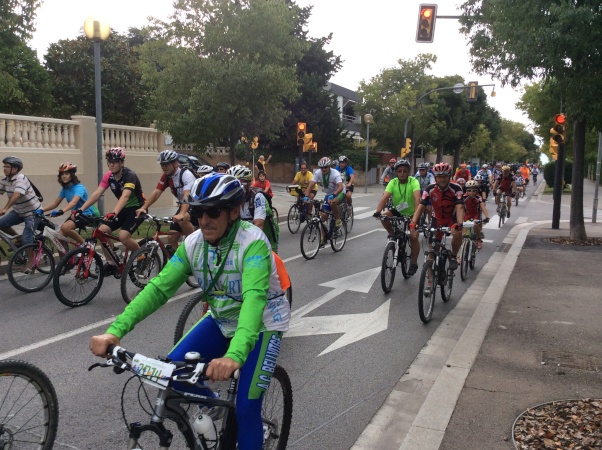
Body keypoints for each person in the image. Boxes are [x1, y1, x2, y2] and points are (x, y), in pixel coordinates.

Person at [89, 173, 290, 450]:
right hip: (221, 318)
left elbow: (254, 299)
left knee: (246, 406)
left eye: (212, 211)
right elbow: (159, 289)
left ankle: (241, 420)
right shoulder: (194, 244)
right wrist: (115, 330)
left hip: (264, 322)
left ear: (233, 212)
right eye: (197, 211)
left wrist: (234, 356)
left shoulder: (252, 243)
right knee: (173, 376)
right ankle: (218, 409)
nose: (204, 220)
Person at [75, 147, 145, 275]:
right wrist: (81, 209)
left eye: (115, 161)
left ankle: (141, 256)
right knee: (101, 231)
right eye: (109, 162)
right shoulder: (109, 176)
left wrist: (114, 212)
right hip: (122, 210)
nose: (111, 164)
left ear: (122, 162)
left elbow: (125, 196)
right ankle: (112, 263)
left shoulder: (130, 175)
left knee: (123, 236)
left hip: (137, 210)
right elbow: (97, 194)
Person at [135, 150, 196, 249]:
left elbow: (187, 196)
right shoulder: (166, 177)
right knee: (171, 238)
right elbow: (157, 192)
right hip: (183, 204)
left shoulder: (186, 174)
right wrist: (144, 207)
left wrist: (181, 214)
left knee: (182, 219)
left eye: (166, 164)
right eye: (162, 164)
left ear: (175, 163)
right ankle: (180, 262)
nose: (164, 167)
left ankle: (195, 243)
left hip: (195, 203)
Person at [411, 162, 464, 271]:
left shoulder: (456, 188)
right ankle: (430, 282)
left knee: (459, 232)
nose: (442, 179)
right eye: (439, 177)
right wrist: (413, 222)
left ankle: (453, 256)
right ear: (435, 177)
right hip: (437, 219)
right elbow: (421, 206)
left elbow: (459, 207)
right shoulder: (429, 189)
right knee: (432, 251)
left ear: (449, 176)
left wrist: (459, 224)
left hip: (451, 219)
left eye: (445, 176)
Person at [373, 159, 421, 275]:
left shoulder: (413, 181)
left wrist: (415, 219)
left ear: (408, 172)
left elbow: (417, 200)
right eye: (399, 171)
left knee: (413, 236)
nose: (402, 173)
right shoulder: (393, 182)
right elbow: (384, 198)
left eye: (405, 171)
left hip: (412, 212)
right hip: (398, 210)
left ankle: (413, 263)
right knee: (384, 217)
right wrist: (378, 211)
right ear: (396, 172)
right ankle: (392, 234)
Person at [37, 162, 99, 245]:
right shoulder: (65, 188)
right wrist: (41, 210)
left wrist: (61, 211)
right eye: (62, 174)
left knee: (65, 227)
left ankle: (86, 246)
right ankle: (66, 257)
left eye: (66, 174)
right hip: (75, 215)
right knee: (59, 238)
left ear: (72, 175)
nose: (64, 176)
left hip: (85, 214)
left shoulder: (79, 188)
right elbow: (55, 203)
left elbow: (73, 202)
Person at [0, 156, 42, 270]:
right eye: (4, 166)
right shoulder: (5, 180)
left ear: (15, 168)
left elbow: (17, 194)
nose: (4, 168)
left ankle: (31, 262)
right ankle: (18, 238)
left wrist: (5, 208)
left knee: (27, 238)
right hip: (19, 212)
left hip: (33, 213)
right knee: (1, 223)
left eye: (7, 166)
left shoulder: (20, 178)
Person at [228, 165, 279, 254]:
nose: (237, 187)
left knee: (267, 263)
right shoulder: (231, 199)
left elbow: (258, 226)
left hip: (267, 234)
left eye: (241, 183)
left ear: (248, 183)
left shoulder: (257, 197)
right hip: (245, 234)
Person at [304, 157, 345, 231]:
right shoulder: (318, 173)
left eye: (325, 167)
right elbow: (311, 185)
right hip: (329, 193)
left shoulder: (335, 173)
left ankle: (338, 220)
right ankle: (324, 239)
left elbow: (341, 187)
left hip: (339, 192)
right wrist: (306, 196)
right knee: (323, 216)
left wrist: (334, 194)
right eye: (321, 167)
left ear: (329, 166)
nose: (323, 169)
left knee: (332, 203)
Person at [463, 180, 490, 250]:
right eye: (469, 190)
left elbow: (483, 207)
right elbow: (458, 208)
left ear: (477, 191)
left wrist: (487, 217)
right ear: (466, 190)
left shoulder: (478, 197)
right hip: (467, 215)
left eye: (474, 190)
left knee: (475, 225)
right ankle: (462, 252)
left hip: (476, 214)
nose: (472, 192)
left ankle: (479, 240)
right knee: (463, 234)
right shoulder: (463, 197)